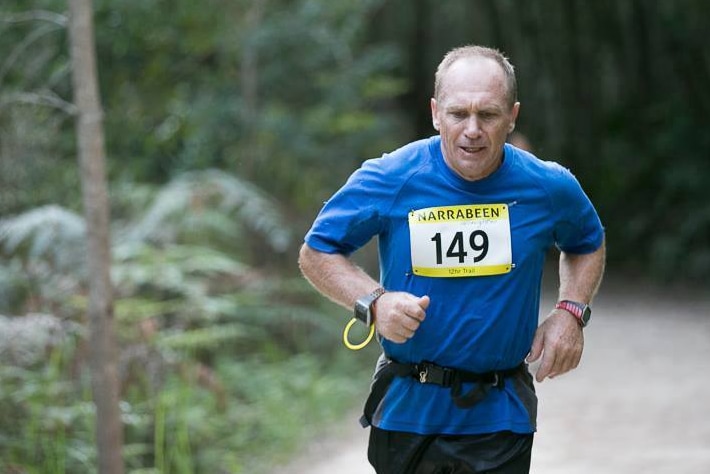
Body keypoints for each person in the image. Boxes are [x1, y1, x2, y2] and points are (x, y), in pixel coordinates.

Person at [298, 45, 605, 474]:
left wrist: (570, 312)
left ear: (513, 116)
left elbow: (587, 241)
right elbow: (317, 252)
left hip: (501, 414)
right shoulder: (392, 177)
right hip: (407, 410)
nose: (473, 130)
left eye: (489, 115)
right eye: (459, 114)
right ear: (435, 113)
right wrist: (375, 301)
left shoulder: (547, 186)